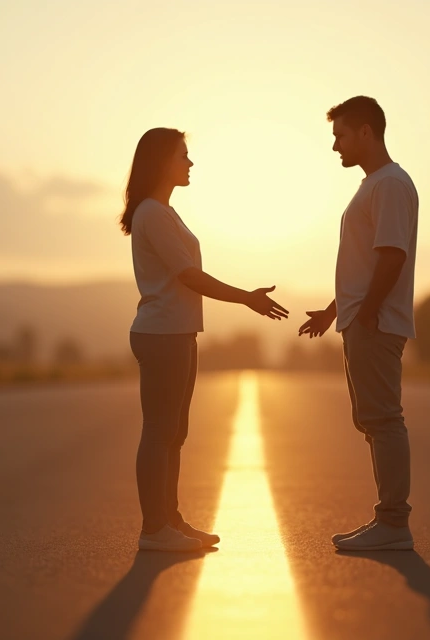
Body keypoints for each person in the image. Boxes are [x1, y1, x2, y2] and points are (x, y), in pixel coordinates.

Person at [122, 128, 289, 551]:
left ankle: (170, 521)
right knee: (160, 431)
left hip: (178, 332)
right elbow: (188, 275)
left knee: (174, 432)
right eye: (184, 155)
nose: (191, 163)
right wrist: (245, 299)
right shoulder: (153, 214)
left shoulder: (164, 212)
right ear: (163, 162)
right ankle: (153, 529)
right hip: (162, 334)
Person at [298, 97, 419, 551]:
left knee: (384, 420)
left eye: (340, 136)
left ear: (366, 132)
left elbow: (392, 256)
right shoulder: (375, 185)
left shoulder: (388, 185)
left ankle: (393, 523)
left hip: (376, 322)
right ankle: (388, 520)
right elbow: (367, 262)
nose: (335, 147)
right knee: (372, 419)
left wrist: (367, 313)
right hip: (363, 319)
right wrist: (334, 310)